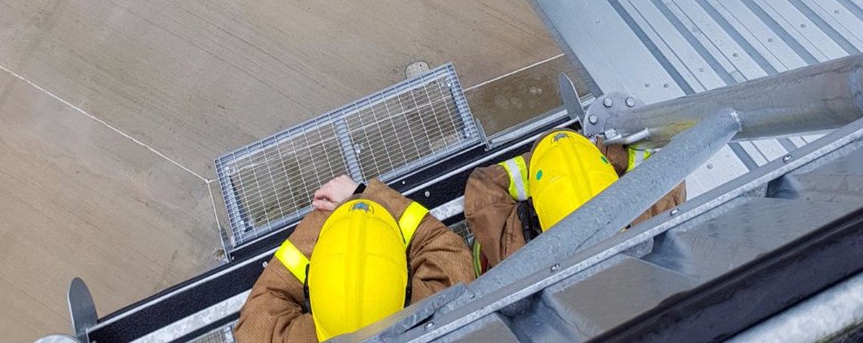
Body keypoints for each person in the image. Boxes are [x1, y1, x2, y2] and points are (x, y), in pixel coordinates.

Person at [234, 172, 474, 343]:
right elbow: (444, 250)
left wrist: (325, 221)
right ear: (407, 287)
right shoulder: (433, 309)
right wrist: (364, 195)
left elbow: (258, 314)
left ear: (311, 286)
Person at [464, 128, 686, 273]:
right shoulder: (647, 219)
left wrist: (540, 166)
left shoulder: (519, 251)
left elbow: (482, 186)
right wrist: (605, 157)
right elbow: (668, 165)